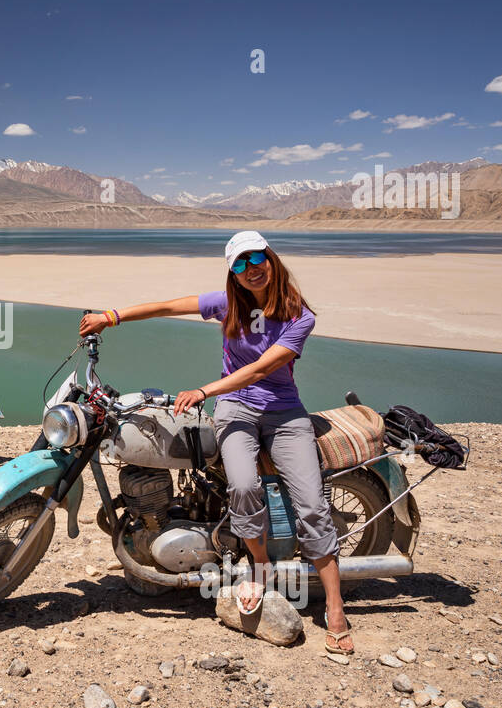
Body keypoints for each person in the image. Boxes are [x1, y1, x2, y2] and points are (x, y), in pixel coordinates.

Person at [79, 231, 353, 655]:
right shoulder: (227, 303)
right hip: (235, 412)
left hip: (284, 414)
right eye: (239, 264)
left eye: (256, 258)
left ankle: (336, 606)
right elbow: (169, 305)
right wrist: (111, 317)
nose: (251, 269)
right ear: (233, 273)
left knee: (312, 506)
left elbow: (263, 368)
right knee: (242, 486)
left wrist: (206, 390)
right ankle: (259, 566)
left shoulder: (300, 315)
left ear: (270, 258)